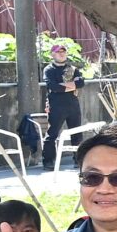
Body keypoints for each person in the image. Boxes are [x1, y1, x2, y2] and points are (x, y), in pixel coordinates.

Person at [39, 42, 81, 170]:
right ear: (53, 54)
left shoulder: (73, 69)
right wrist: (71, 86)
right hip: (56, 105)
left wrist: (62, 86)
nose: (61, 54)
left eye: (63, 51)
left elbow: (81, 83)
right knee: (52, 134)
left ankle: (78, 160)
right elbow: (52, 86)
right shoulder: (49, 70)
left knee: (76, 133)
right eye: (58, 52)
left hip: (73, 104)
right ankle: (48, 162)